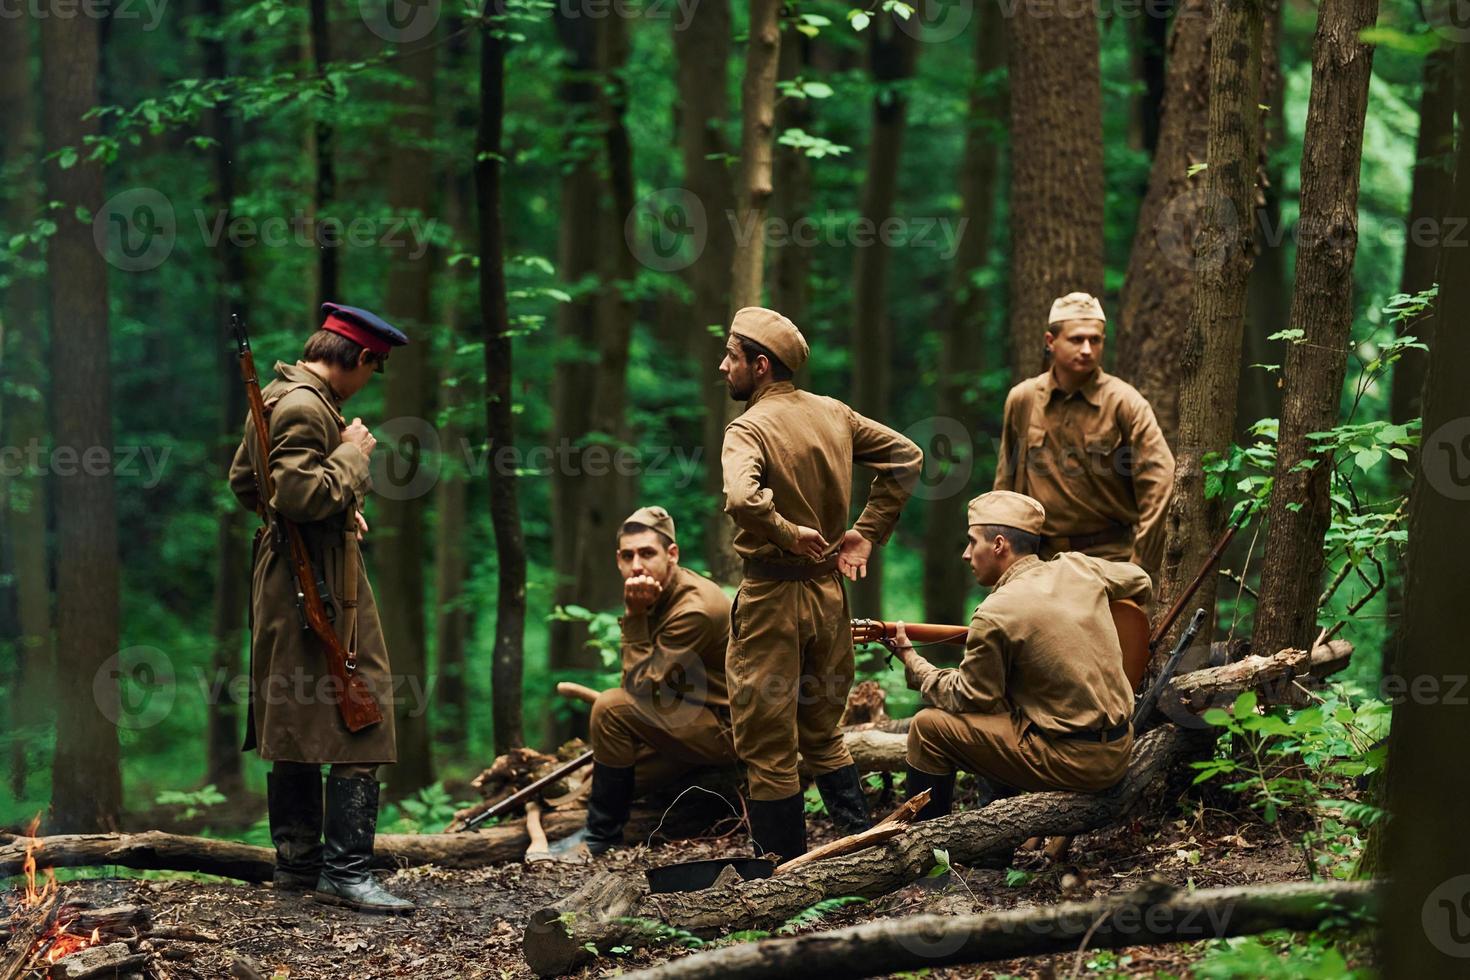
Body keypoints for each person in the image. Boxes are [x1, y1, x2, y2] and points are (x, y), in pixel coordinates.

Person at [227, 301, 413, 914]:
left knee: (300, 715)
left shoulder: (279, 395)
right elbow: (300, 492)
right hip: (320, 582)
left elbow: (248, 484)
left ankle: (298, 869)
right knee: (366, 710)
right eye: (374, 367)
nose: (371, 379)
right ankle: (346, 873)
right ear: (360, 358)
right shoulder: (308, 407)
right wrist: (353, 455)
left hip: (292, 573)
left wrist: (335, 505)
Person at [719, 306, 923, 860]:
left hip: (769, 601)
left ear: (760, 366)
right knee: (825, 730)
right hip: (829, 597)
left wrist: (784, 533)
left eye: (731, 358)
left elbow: (741, 499)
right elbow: (907, 456)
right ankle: (868, 859)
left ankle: (780, 879)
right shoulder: (835, 413)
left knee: (767, 747)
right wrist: (865, 532)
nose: (722, 367)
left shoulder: (748, 428)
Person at [890, 491, 1152, 821]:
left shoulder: (996, 612)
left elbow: (972, 696)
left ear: (999, 545)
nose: (966, 554)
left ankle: (927, 857)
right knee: (1005, 701)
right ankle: (995, 849)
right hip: (1119, 745)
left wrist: (915, 663)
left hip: (1077, 762)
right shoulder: (1078, 567)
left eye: (973, 542)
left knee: (928, 728)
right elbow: (1140, 580)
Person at [548, 506, 738, 860]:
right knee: (603, 784)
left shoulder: (693, 608)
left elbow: (638, 689)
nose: (636, 566)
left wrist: (634, 617)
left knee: (610, 707)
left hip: (724, 729)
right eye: (627, 555)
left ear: (672, 555)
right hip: (683, 717)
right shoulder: (657, 593)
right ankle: (606, 816)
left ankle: (599, 837)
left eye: (647, 553)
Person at [993, 292, 1174, 580]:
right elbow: (1005, 487)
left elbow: (1161, 483)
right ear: (1051, 342)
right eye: (1077, 339)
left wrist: (1139, 566)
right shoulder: (1023, 399)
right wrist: (1004, 562)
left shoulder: (1124, 402)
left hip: (1108, 562)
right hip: (1037, 564)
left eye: (1096, 340)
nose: (1087, 349)